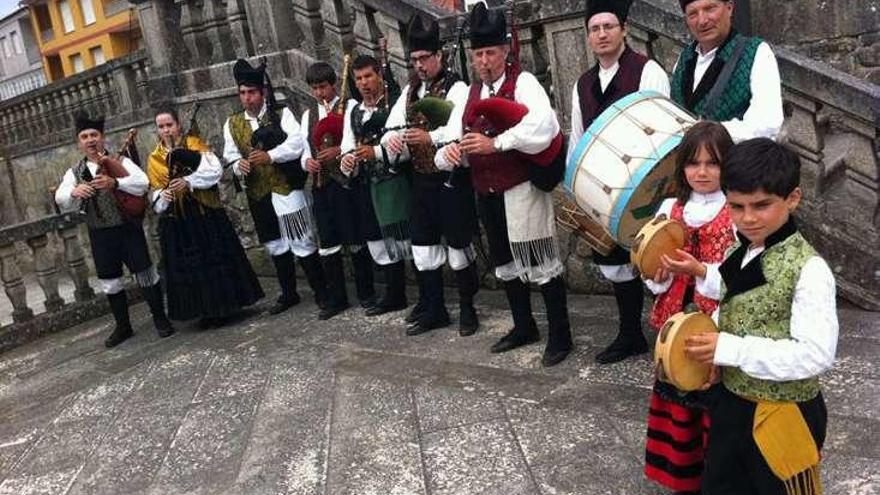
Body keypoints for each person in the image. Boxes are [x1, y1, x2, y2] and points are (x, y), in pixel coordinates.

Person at [684, 138, 837, 494]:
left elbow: (815, 355)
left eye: (761, 205)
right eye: (736, 206)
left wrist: (731, 349)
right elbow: (734, 296)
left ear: (793, 198)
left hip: (785, 414)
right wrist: (717, 356)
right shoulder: (740, 246)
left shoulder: (810, 269)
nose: (748, 218)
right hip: (733, 404)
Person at [435, 2, 572, 367]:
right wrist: (451, 152)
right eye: (478, 53)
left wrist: (495, 143)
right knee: (505, 263)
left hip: (521, 187)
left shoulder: (523, 83)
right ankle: (523, 325)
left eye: (490, 52)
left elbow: (543, 127)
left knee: (540, 260)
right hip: (486, 190)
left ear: (504, 51)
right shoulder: (469, 93)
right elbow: (452, 137)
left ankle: (561, 335)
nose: (484, 60)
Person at [568, 0, 670, 365]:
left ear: (624, 29)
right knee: (615, 260)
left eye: (608, 26)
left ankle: (670, 335)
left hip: (649, 186)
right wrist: (576, 187)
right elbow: (577, 139)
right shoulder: (582, 84)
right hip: (604, 191)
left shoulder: (648, 71)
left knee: (657, 258)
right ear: (588, 35)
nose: (602, 34)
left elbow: (665, 128)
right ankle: (630, 334)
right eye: (595, 29)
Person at [641, 121, 736, 495]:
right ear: (682, 167)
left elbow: (738, 277)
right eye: (693, 163)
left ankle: (717, 477)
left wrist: (699, 271)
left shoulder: (735, 212)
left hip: (713, 319)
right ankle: (683, 478)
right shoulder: (671, 208)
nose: (701, 172)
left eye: (712, 163)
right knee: (678, 390)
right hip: (673, 316)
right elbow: (653, 272)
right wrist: (660, 274)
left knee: (712, 395)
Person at [381, 14, 479, 336]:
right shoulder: (409, 92)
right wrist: (393, 140)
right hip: (421, 182)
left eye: (424, 58)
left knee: (457, 246)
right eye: (414, 60)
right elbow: (389, 129)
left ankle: (467, 309)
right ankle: (434, 307)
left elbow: (456, 129)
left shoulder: (457, 87)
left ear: (439, 55)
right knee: (423, 246)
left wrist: (428, 138)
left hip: (451, 182)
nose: (419, 65)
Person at [55, 113, 173, 347]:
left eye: (94, 135)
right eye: (85, 136)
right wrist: (73, 192)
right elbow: (60, 198)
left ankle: (160, 319)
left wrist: (115, 182)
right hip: (100, 235)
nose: (90, 140)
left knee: (146, 274)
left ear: (102, 138)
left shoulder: (120, 162)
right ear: (79, 143)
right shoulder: (74, 172)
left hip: (128, 229)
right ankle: (123, 326)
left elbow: (142, 183)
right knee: (111, 282)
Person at [223, 58, 328, 316]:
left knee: (301, 239)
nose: (247, 98)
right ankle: (289, 293)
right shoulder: (232, 123)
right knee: (275, 245)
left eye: (252, 92)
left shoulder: (282, 114)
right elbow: (229, 155)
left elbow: (297, 144)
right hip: (258, 191)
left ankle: (322, 291)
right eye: (243, 93)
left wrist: (271, 155)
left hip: (285, 186)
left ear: (262, 92)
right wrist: (239, 166)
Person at [148, 107, 264, 327]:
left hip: (205, 214)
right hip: (178, 221)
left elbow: (215, 171)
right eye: (161, 127)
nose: (166, 130)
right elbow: (154, 192)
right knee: (191, 267)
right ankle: (203, 312)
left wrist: (188, 181)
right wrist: (164, 194)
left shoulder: (194, 144)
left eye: (169, 125)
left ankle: (225, 307)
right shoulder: (154, 158)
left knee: (214, 259)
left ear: (178, 125)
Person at [300, 61, 374, 319]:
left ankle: (366, 292)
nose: (319, 93)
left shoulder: (351, 105)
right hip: (321, 183)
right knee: (328, 241)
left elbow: (356, 140)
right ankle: (337, 297)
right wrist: (306, 162)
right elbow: (304, 150)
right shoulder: (308, 115)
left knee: (354, 236)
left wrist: (340, 150)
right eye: (314, 88)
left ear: (334, 84)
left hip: (345, 181)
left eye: (323, 87)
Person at [340, 55, 411, 317]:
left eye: (368, 76)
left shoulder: (394, 103)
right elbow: (348, 143)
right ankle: (393, 294)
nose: (364, 83)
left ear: (379, 76)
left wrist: (377, 152)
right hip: (366, 181)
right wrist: (347, 160)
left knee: (401, 237)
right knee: (375, 239)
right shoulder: (354, 110)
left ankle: (405, 293)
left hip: (394, 179)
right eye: (358, 78)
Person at [671, 0, 784, 142]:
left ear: (729, 8)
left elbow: (766, 125)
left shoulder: (757, 52)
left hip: (736, 161)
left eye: (710, 9)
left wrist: (705, 133)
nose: (702, 21)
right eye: (693, 14)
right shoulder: (684, 58)